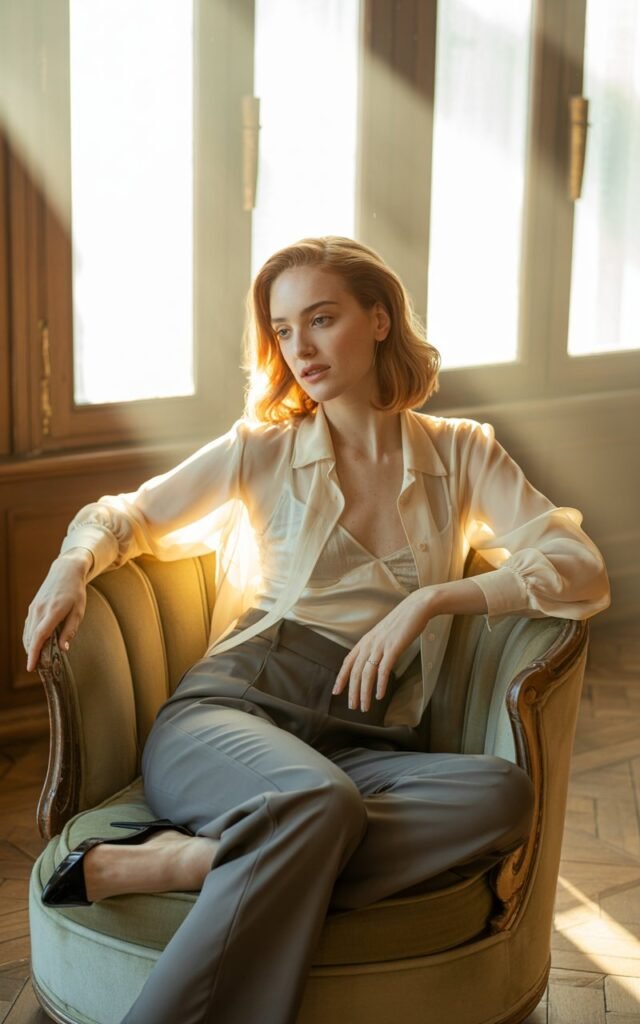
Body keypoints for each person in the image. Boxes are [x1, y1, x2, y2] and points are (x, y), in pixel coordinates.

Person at [24, 236, 610, 1024]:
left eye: (321, 319)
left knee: (501, 794)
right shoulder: (259, 451)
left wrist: (432, 602)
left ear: (377, 320)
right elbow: (124, 517)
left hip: (366, 747)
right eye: (284, 329)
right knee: (318, 803)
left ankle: (192, 860)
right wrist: (70, 567)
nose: (300, 347)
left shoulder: (464, 453)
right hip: (232, 715)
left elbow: (578, 564)